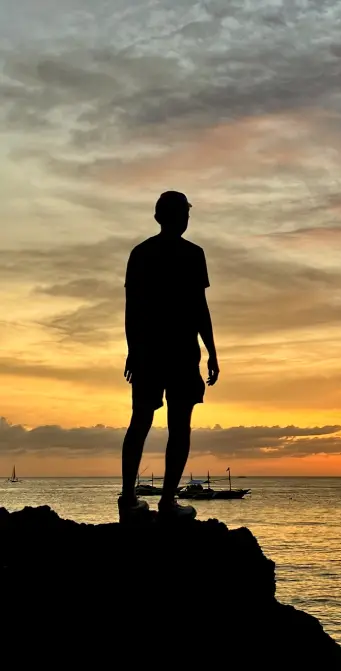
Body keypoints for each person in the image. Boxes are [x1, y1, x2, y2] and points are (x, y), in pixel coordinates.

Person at [119, 191, 219, 521]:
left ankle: (131, 499)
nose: (185, 220)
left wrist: (133, 351)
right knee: (178, 426)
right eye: (184, 214)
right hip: (178, 352)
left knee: (140, 422)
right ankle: (166, 502)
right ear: (177, 218)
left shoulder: (141, 253)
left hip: (149, 351)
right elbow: (198, 308)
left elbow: (132, 309)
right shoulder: (192, 254)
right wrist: (211, 352)